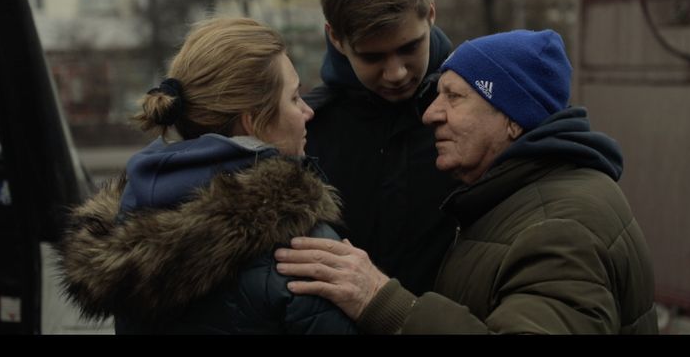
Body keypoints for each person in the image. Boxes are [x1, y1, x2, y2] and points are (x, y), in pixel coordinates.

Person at [275, 29, 659, 334]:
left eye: (453, 96)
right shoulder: (518, 200)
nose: (430, 115)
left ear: (513, 118)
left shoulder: (560, 227)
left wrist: (383, 302)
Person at [55, 17, 357, 334]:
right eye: (294, 97)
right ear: (253, 122)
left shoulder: (127, 242)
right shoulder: (307, 251)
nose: (307, 111)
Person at [303, 0, 461, 296]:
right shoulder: (307, 132)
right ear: (336, 39)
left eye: (409, 48)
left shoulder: (480, 112)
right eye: (372, 57)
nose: (396, 74)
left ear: (431, 14)